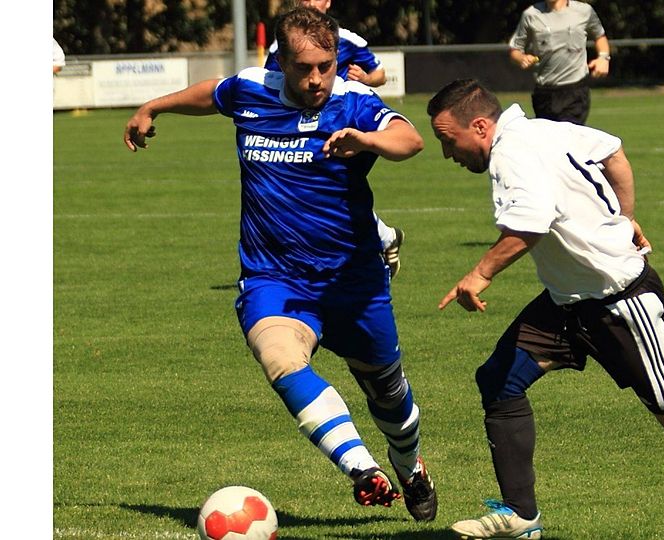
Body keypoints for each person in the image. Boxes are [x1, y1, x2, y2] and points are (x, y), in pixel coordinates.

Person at [427, 79, 664, 540]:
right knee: (499, 380)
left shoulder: (511, 154)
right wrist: (625, 217)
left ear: (481, 126)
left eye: (449, 141)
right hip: (566, 303)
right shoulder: (547, 129)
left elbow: (530, 224)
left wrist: (480, 273)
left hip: (620, 302)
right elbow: (614, 153)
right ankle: (520, 516)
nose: (449, 153)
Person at [122, 8, 436, 522]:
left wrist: (367, 140)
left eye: (326, 66)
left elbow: (410, 139)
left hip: (352, 280)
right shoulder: (253, 90)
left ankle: (410, 467)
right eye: (303, 68)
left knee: (391, 401)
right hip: (274, 276)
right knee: (280, 358)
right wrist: (154, 106)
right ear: (282, 63)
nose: (316, 79)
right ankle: (361, 468)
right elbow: (212, 94)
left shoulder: (353, 102)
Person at [266, 0, 405, 277]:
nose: (309, 2)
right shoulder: (281, 45)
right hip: (299, 124)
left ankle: (372, 247)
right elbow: (273, 83)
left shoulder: (348, 39)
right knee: (321, 193)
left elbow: (379, 75)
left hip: (345, 122)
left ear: (328, 3)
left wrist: (365, 79)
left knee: (332, 191)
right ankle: (384, 237)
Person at [508, 0, 611, 126]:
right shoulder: (531, 15)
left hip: (574, 90)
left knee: (568, 138)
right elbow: (515, 50)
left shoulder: (584, 11)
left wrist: (603, 58)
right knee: (549, 142)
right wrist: (521, 58)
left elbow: (600, 36)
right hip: (544, 93)